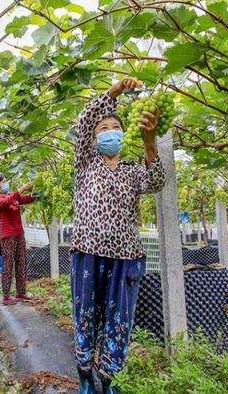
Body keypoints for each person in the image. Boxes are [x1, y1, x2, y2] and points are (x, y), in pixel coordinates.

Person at [70, 78, 166, 394]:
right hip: (88, 251)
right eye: (103, 128)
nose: (110, 131)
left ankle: (108, 379)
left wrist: (150, 141)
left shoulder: (132, 170)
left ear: (123, 135)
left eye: (115, 127)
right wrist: (112, 94)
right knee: (85, 314)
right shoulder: (84, 164)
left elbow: (156, 182)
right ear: (94, 138)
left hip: (126, 257)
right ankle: (85, 376)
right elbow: (84, 120)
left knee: (119, 319)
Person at [0, 174, 35, 305]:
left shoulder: (12, 195)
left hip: (19, 233)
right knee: (8, 265)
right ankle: (6, 297)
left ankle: (21, 292)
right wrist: (21, 189)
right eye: (4, 181)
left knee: (21, 262)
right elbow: (7, 201)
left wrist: (35, 191)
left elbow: (26, 199)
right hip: (8, 236)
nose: (6, 182)